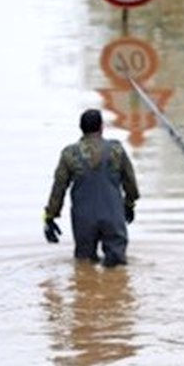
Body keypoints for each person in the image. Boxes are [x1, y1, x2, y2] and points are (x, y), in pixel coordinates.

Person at [43, 109, 140, 267]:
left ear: (81, 128)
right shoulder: (117, 150)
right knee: (117, 267)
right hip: (113, 217)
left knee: (84, 265)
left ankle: (86, 289)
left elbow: (58, 189)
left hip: (83, 220)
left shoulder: (69, 154)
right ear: (102, 127)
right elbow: (130, 183)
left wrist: (50, 217)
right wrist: (129, 204)